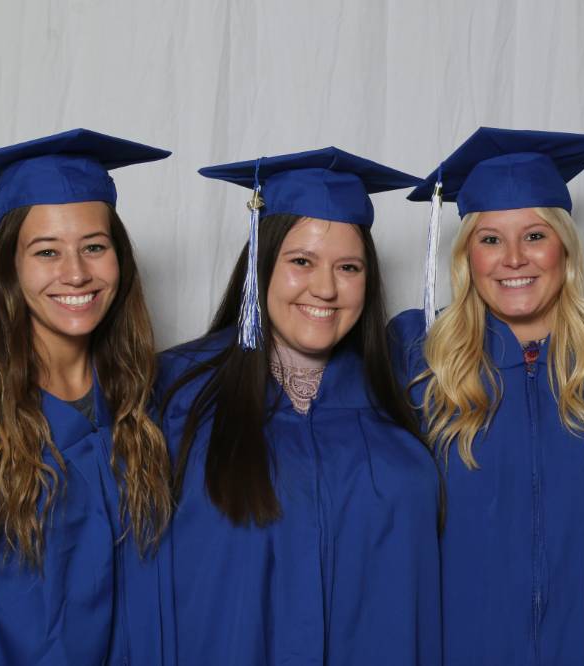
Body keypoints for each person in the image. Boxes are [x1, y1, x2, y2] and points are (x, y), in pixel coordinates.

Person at [389, 127, 584, 665]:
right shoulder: (417, 356)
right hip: (462, 647)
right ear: (467, 255)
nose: (513, 258)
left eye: (535, 235)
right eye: (490, 239)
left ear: (565, 246)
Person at [157, 147, 441, 665]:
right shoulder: (175, 392)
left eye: (348, 267)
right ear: (261, 263)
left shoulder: (407, 391)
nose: (325, 288)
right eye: (302, 261)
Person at [0, 129, 175, 664]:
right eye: (47, 251)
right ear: (10, 267)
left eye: (94, 247)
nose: (75, 273)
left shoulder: (154, 404)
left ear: (119, 260)